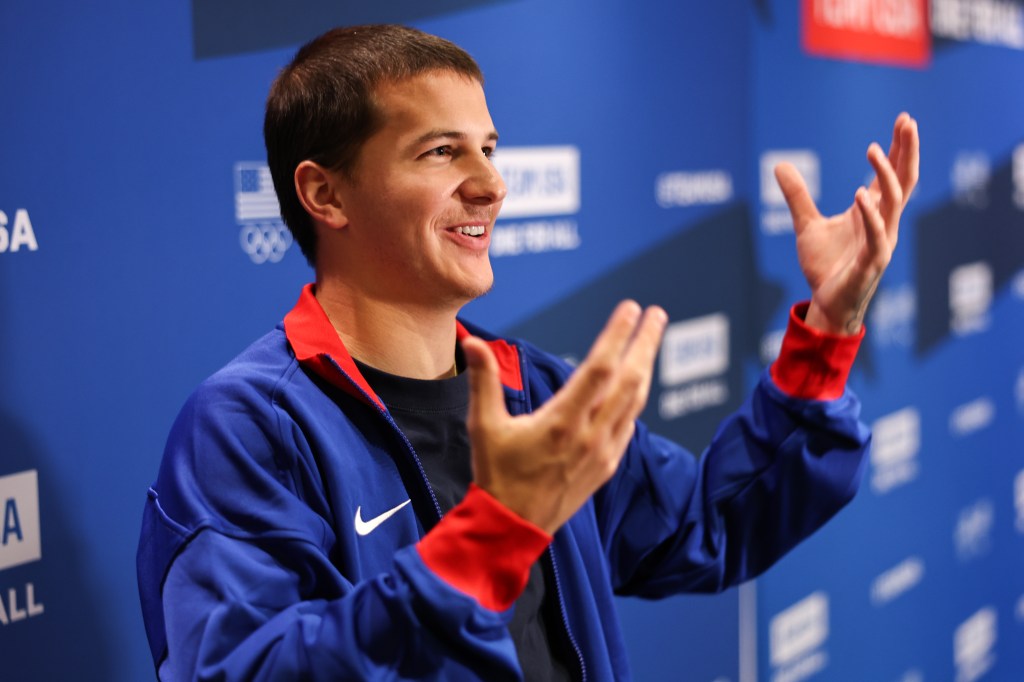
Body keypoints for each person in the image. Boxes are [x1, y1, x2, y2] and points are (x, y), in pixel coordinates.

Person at [136, 24, 919, 681]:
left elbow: (710, 522)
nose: (491, 184)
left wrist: (827, 331)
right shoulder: (247, 426)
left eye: (489, 146)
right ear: (325, 195)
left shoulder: (533, 387)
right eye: (441, 152)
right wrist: (491, 539)